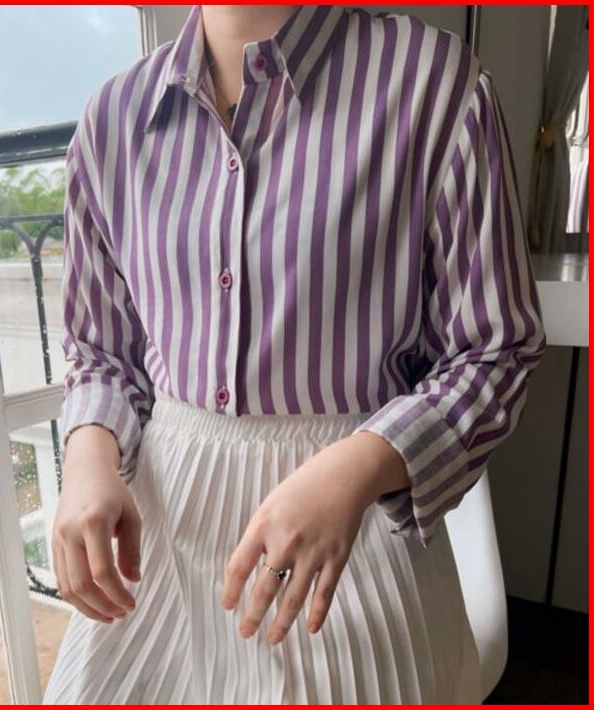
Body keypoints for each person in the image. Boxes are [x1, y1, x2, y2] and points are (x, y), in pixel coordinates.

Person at [43, 4, 547, 704]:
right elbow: (101, 350)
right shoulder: (112, 119)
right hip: (165, 541)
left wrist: (358, 467)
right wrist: (88, 459)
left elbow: (495, 349)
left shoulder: (433, 82)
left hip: (356, 538)